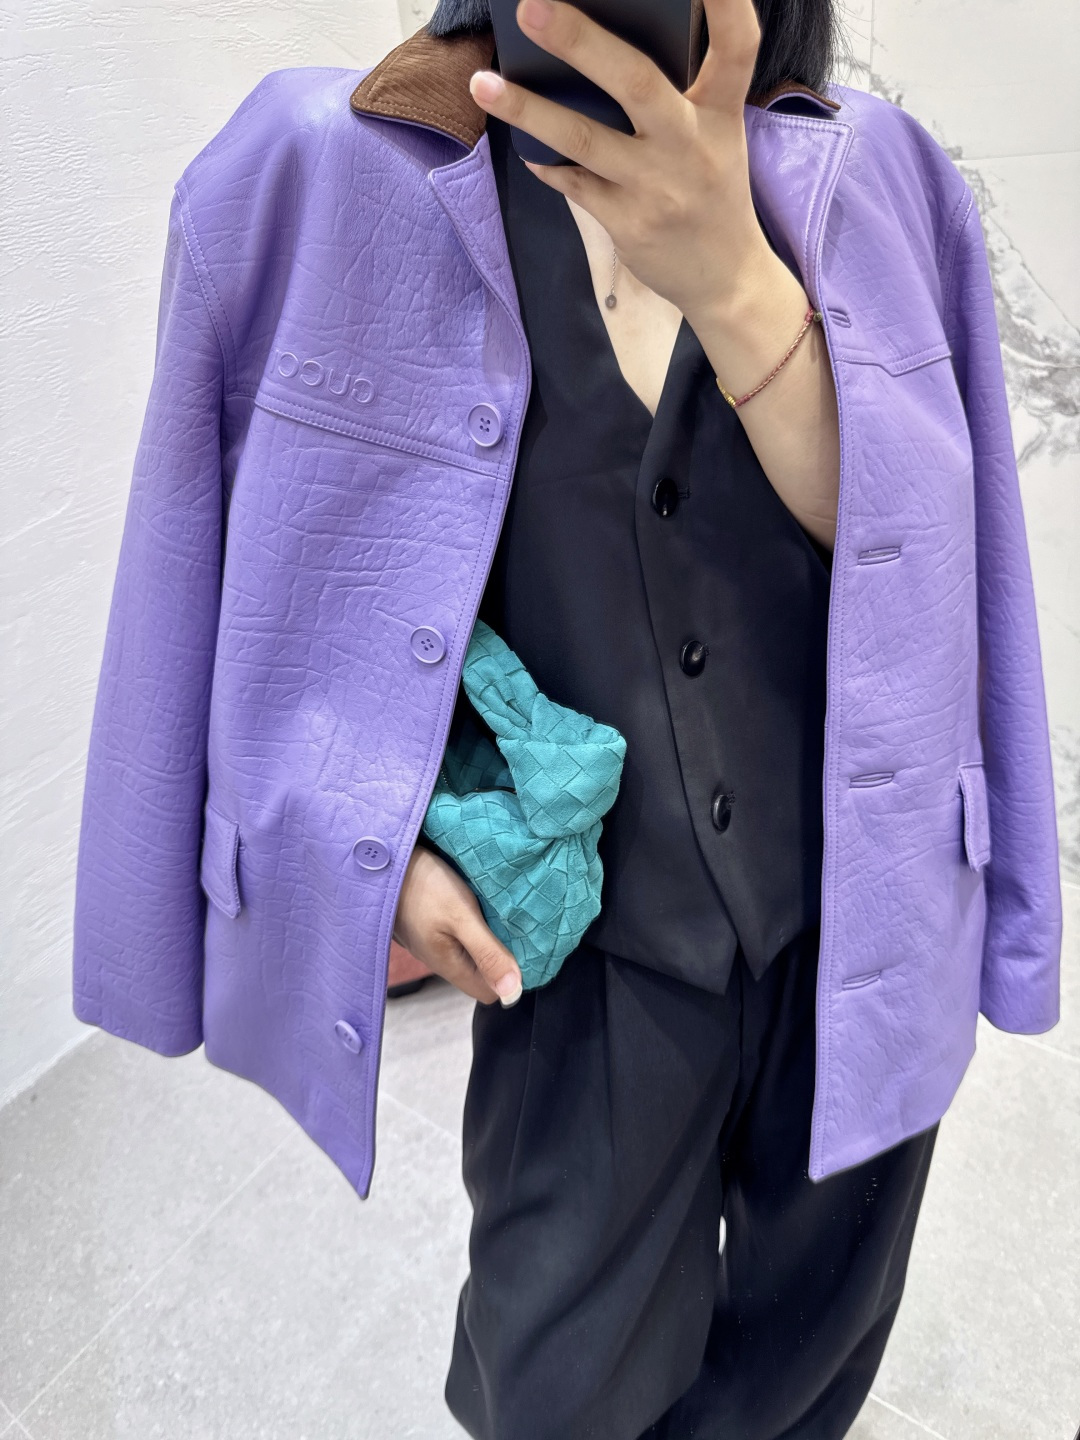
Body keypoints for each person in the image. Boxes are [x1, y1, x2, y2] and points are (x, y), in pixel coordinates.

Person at [71, 0, 1063, 1436]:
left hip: (865, 913)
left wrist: (739, 287)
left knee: (811, 1360)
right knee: (557, 1386)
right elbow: (235, 585)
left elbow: (939, 575)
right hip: (590, 956)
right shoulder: (319, 172)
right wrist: (373, 834)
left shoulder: (882, 176)